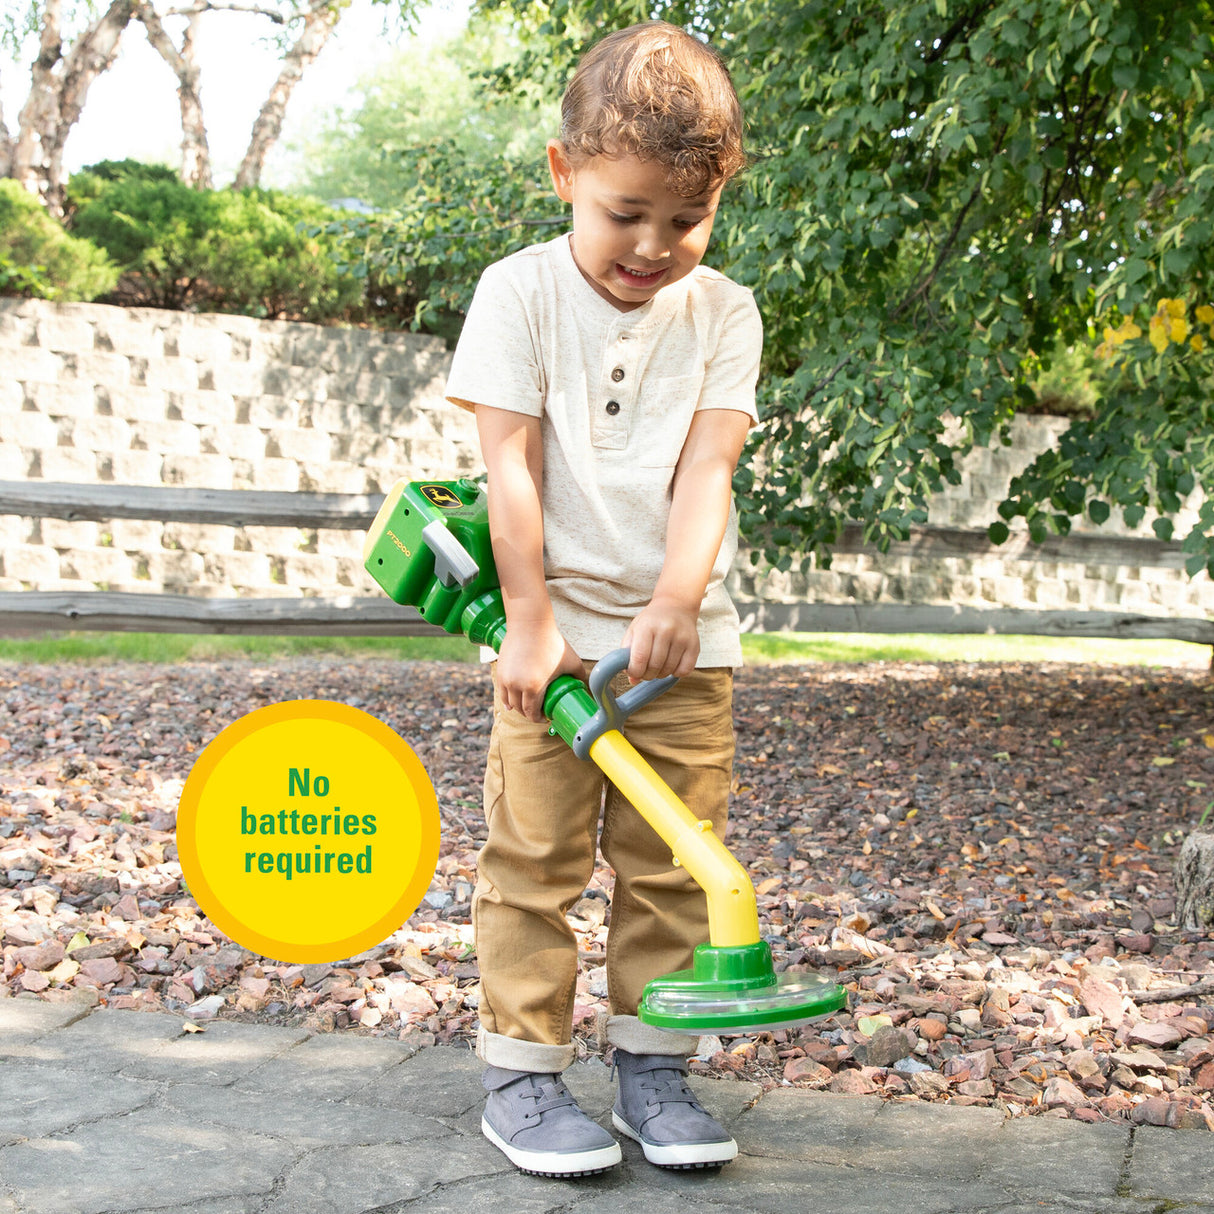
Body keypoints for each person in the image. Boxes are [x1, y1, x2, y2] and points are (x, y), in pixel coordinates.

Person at [444, 19, 761, 1178]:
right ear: (563, 172)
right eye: (625, 212)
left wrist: (678, 596)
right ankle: (523, 1076)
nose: (653, 245)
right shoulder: (517, 293)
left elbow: (708, 467)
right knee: (533, 861)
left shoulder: (723, 312)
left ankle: (651, 1069)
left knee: (671, 864)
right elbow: (509, 467)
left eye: (687, 218)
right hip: (552, 649)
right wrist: (530, 624)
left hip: (680, 654)